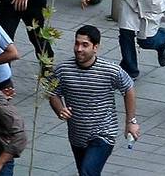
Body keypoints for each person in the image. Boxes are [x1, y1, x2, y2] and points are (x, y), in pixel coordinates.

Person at [49, 25, 140, 175]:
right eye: (77, 43)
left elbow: (128, 88)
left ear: (95, 47)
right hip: (77, 135)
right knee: (86, 172)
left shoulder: (110, 71)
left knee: (87, 172)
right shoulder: (63, 70)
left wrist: (131, 122)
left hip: (103, 133)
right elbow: (53, 93)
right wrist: (59, 109)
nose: (79, 49)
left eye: (85, 45)